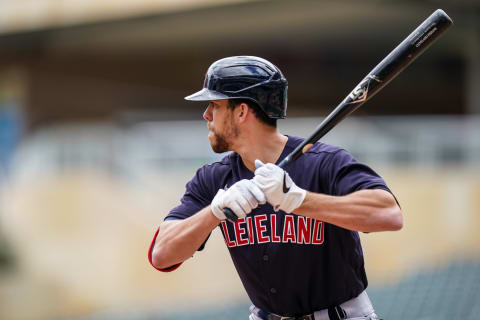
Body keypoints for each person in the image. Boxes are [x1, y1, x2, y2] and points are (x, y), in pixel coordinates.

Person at [148, 56, 402, 320]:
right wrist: (214, 213)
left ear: (242, 111)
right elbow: (161, 254)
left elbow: (389, 214)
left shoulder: (323, 162)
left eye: (215, 104)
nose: (206, 115)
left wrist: (298, 199)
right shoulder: (214, 179)